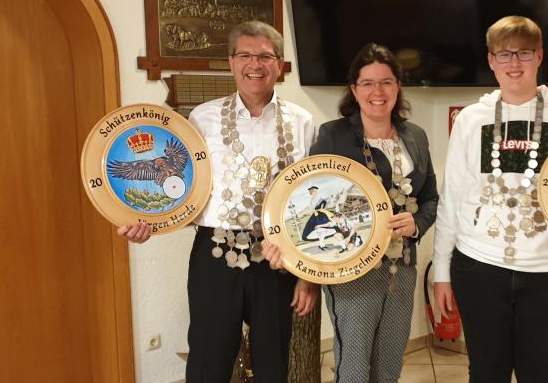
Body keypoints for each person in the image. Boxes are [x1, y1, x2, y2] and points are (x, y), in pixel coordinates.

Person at [117, 21, 318, 383]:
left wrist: (307, 278)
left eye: (264, 56)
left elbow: (308, 199)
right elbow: (175, 183)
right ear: (231, 61)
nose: (254, 64)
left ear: (280, 66)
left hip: (277, 257)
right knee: (208, 361)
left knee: (274, 362)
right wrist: (147, 219)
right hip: (214, 252)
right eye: (245, 55)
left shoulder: (303, 122)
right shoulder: (202, 119)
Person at [432, 16, 548, 383]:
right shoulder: (471, 120)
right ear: (490, 61)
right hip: (479, 268)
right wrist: (441, 271)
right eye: (504, 54)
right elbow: (452, 197)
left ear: (540, 57)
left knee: (542, 374)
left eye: (524, 53)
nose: (514, 63)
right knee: (487, 372)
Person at [269, 43, 439, 382]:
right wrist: (306, 274)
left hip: (401, 267)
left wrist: (416, 223)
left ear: (398, 87)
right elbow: (303, 202)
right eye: (368, 83)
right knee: (355, 366)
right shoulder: (334, 136)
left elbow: (431, 198)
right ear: (354, 90)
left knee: (390, 363)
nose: (378, 92)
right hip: (351, 271)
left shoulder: (415, 137)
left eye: (387, 82)